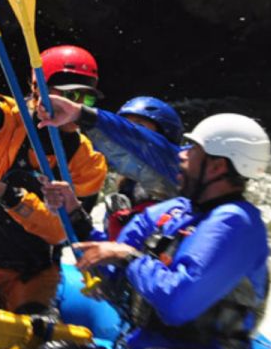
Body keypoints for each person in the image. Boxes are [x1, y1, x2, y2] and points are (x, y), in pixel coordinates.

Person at [37, 113, 271, 349]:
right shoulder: (175, 212)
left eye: (192, 149)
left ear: (217, 166)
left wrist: (129, 258)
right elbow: (113, 261)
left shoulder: (236, 224)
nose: (182, 155)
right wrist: (74, 215)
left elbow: (176, 303)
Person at [0, 45, 108, 316]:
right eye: (70, 95)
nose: (77, 107)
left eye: (87, 100)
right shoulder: (9, 118)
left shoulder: (88, 161)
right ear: (38, 91)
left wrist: (11, 197)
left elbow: (63, 233)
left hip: (31, 275)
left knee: (35, 333)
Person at [38, 94, 184, 240]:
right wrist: (73, 212)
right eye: (125, 125)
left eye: (137, 127)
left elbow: (153, 149)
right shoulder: (122, 200)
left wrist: (82, 114)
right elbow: (106, 255)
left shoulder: (182, 174)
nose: (123, 138)